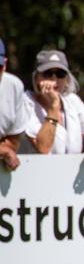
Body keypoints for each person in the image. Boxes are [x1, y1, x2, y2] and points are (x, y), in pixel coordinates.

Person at [21, 49, 84, 158]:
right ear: (36, 78)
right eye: (47, 73)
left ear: (66, 79)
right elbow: (43, 148)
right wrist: (54, 106)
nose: (54, 78)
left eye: (60, 74)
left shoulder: (73, 101)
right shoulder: (25, 103)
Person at [0, 38, 28, 171]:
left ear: (4, 64)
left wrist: (5, 150)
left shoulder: (14, 86)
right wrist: (3, 150)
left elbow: (14, 141)